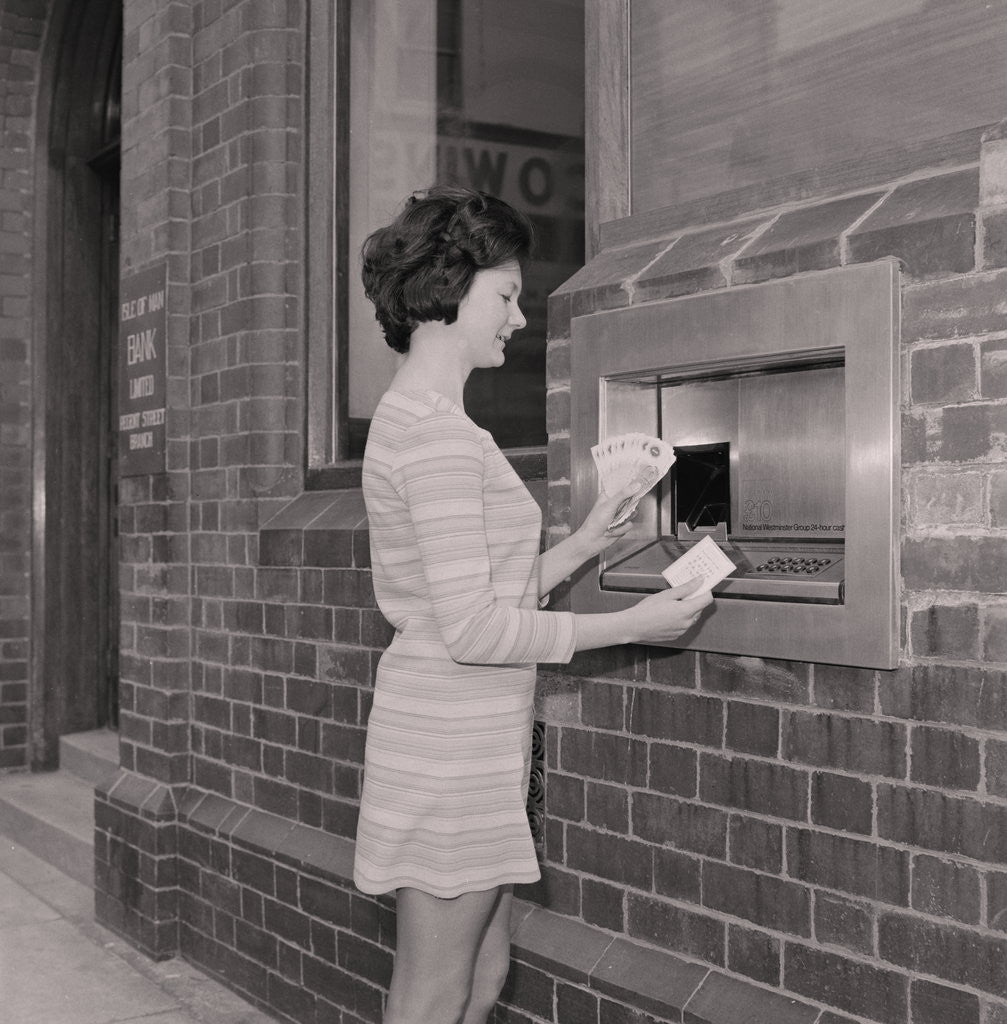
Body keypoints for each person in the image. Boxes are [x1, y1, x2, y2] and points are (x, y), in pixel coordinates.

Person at [354, 185, 713, 1024]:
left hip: (465, 735)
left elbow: (477, 596)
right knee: (436, 994)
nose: (518, 318)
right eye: (505, 295)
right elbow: (475, 630)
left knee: (480, 978)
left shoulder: (425, 420)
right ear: (447, 287)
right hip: (448, 745)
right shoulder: (437, 437)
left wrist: (588, 538)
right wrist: (634, 624)